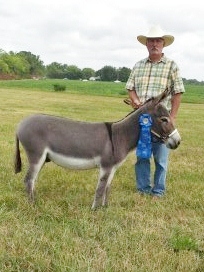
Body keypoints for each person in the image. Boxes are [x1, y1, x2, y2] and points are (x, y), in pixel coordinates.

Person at [126, 25, 185, 198]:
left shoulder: (171, 66)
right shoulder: (138, 66)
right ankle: (143, 189)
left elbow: (178, 92)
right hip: (142, 119)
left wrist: (172, 117)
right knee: (143, 156)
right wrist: (135, 100)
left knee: (161, 158)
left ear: (163, 44)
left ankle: (158, 191)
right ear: (146, 44)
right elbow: (130, 87)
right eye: (151, 41)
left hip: (161, 120)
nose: (154, 44)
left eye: (158, 40)